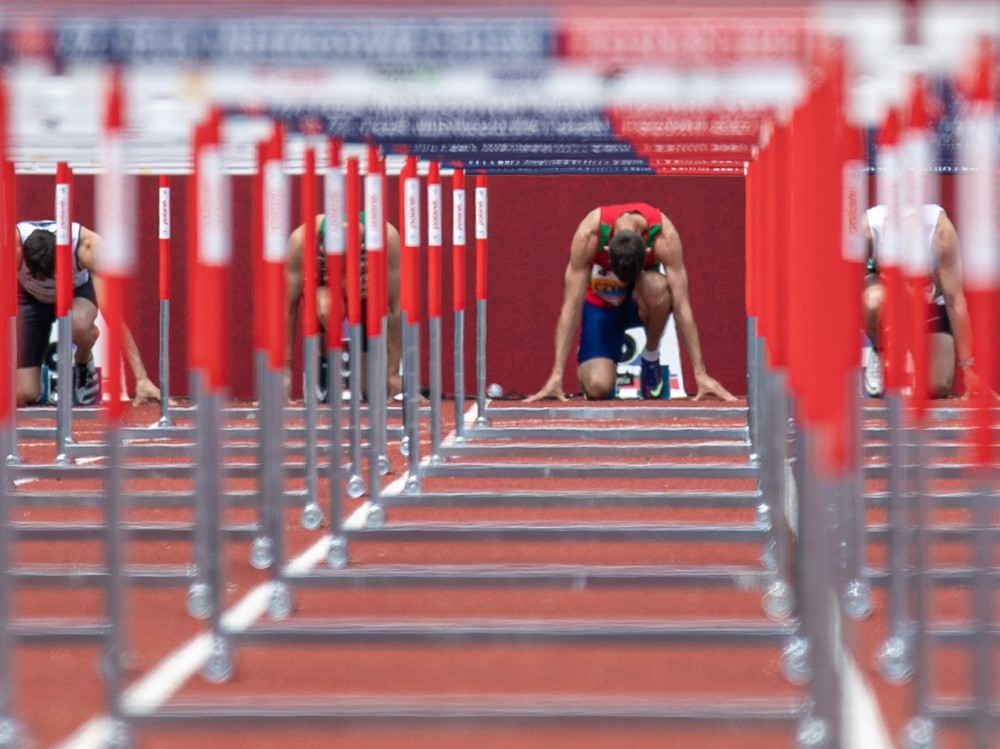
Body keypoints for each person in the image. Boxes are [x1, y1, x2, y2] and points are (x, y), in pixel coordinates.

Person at [527, 202, 736, 402]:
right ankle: (600, 360)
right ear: (607, 249)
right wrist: (557, 373)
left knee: (659, 288)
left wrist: (700, 373)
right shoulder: (589, 235)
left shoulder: (664, 237)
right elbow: (571, 306)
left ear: (646, 251)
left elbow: (682, 306)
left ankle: (650, 357)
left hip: (641, 302)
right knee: (597, 387)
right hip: (602, 307)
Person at [16, 220, 161, 407]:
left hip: (76, 292)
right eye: (38, 276)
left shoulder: (88, 247)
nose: (46, 281)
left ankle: (84, 361)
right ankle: (36, 380)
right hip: (31, 300)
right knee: (25, 393)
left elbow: (113, 315)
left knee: (79, 323)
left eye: (51, 275)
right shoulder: (11, 248)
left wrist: (141, 378)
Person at [862, 203, 990, 399]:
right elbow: (850, 288)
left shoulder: (942, 233)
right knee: (872, 299)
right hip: (890, 306)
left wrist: (967, 366)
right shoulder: (870, 229)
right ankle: (880, 349)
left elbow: (955, 301)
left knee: (937, 387)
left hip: (928, 307)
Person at [284, 213, 402, 402]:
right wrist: (285, 371)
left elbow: (395, 307)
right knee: (327, 306)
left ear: (362, 248)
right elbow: (288, 310)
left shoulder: (386, 238)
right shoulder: (302, 240)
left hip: (366, 296)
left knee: (369, 390)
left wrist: (394, 372)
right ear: (321, 248)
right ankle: (325, 367)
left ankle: (368, 367)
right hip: (326, 294)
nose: (343, 270)